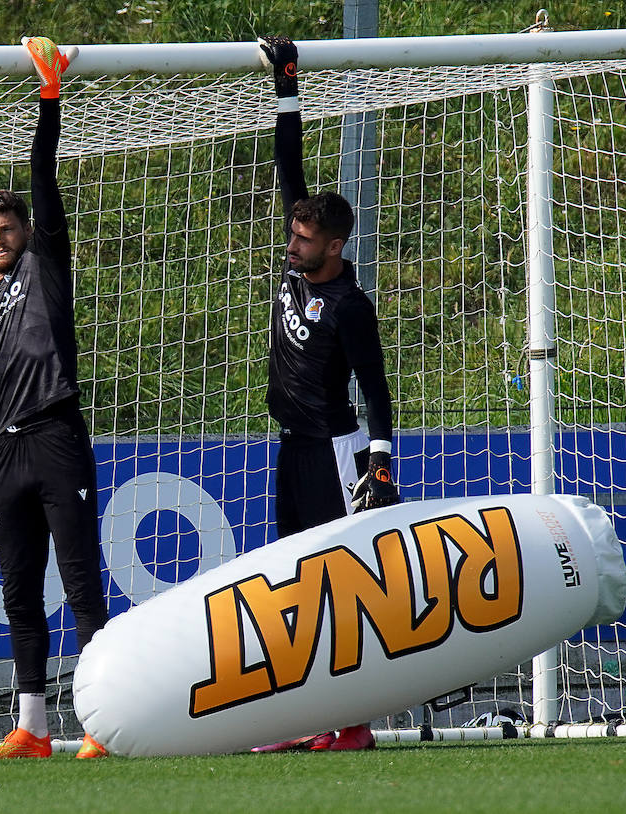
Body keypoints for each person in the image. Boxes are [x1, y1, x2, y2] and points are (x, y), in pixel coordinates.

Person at [0, 36, 109, 761]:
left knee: (80, 583)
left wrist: (49, 99)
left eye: (8, 227)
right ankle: (32, 729)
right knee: (18, 592)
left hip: (56, 435)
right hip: (6, 456)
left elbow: (43, 175)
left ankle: (103, 721)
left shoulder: (45, 265)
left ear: (27, 232)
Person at [251, 36, 401, 753]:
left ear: (334, 246)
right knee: (292, 576)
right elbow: (290, 164)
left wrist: (380, 462)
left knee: (342, 580)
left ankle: (355, 723)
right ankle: (302, 717)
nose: (292, 245)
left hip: (337, 450)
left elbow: (376, 389)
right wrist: (287, 87)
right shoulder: (297, 263)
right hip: (293, 446)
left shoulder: (350, 305)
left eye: (305, 240)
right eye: (293, 234)